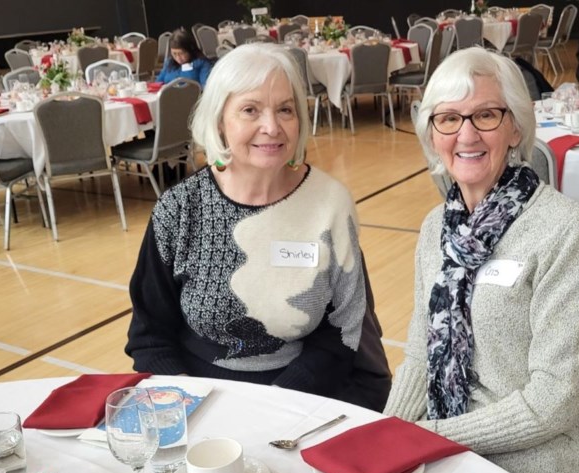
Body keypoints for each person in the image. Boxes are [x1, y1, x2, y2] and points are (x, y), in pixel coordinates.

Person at [384, 48, 579, 473]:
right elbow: (423, 353)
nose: (466, 134)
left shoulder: (564, 228)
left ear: (516, 127)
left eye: (485, 115)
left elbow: (554, 400)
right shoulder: (435, 228)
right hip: (441, 453)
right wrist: (385, 439)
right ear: (432, 134)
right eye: (448, 119)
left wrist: (432, 438)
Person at [126, 43, 390, 410]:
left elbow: (344, 329)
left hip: (304, 394)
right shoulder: (180, 208)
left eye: (285, 109)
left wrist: (276, 404)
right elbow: (150, 335)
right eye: (250, 110)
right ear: (220, 120)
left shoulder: (329, 204)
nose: (272, 127)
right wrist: (184, 401)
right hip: (196, 394)